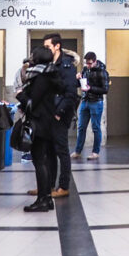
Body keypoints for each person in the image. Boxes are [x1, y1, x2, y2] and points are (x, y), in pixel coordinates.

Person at [17, 46, 64, 212]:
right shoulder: (50, 74)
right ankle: (47, 198)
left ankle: (43, 199)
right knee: (43, 160)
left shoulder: (41, 78)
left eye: (33, 56)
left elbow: (32, 102)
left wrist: (20, 95)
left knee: (39, 161)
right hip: (47, 122)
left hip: (40, 123)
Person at [43, 33, 80, 198]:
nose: (46, 50)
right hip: (48, 114)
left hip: (59, 115)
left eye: (48, 47)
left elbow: (71, 93)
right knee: (48, 151)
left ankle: (63, 186)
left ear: (57, 46)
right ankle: (48, 186)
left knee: (61, 151)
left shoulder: (67, 65)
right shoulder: (48, 63)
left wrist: (58, 113)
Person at [71, 52, 110, 160]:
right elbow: (79, 84)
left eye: (90, 63)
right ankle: (77, 151)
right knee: (81, 127)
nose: (88, 65)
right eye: (86, 63)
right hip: (85, 101)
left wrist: (90, 88)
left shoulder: (102, 72)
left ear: (95, 61)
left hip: (96, 102)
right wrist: (77, 78)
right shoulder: (85, 70)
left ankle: (95, 152)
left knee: (96, 128)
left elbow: (105, 89)